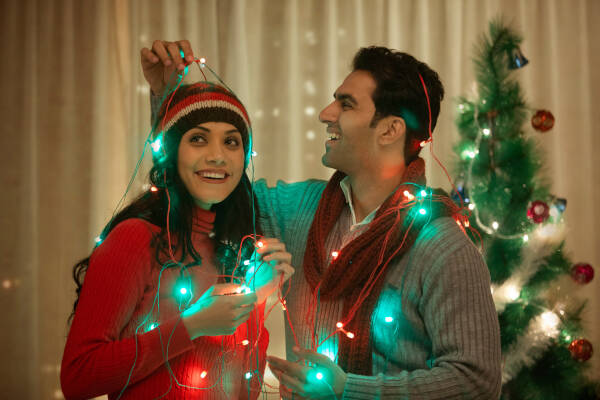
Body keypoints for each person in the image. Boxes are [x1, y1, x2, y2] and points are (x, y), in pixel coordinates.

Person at [143, 41, 502, 399]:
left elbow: (476, 381)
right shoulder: (299, 209)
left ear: (390, 130)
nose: (326, 113)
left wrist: (349, 392)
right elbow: (202, 191)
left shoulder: (443, 245)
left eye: (346, 104)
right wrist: (167, 98)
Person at [61, 82, 294, 399]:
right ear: (172, 153)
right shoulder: (136, 238)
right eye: (198, 139)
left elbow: (241, 390)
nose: (217, 156)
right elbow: (79, 377)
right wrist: (191, 325)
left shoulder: (234, 248)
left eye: (231, 142)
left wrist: (256, 300)